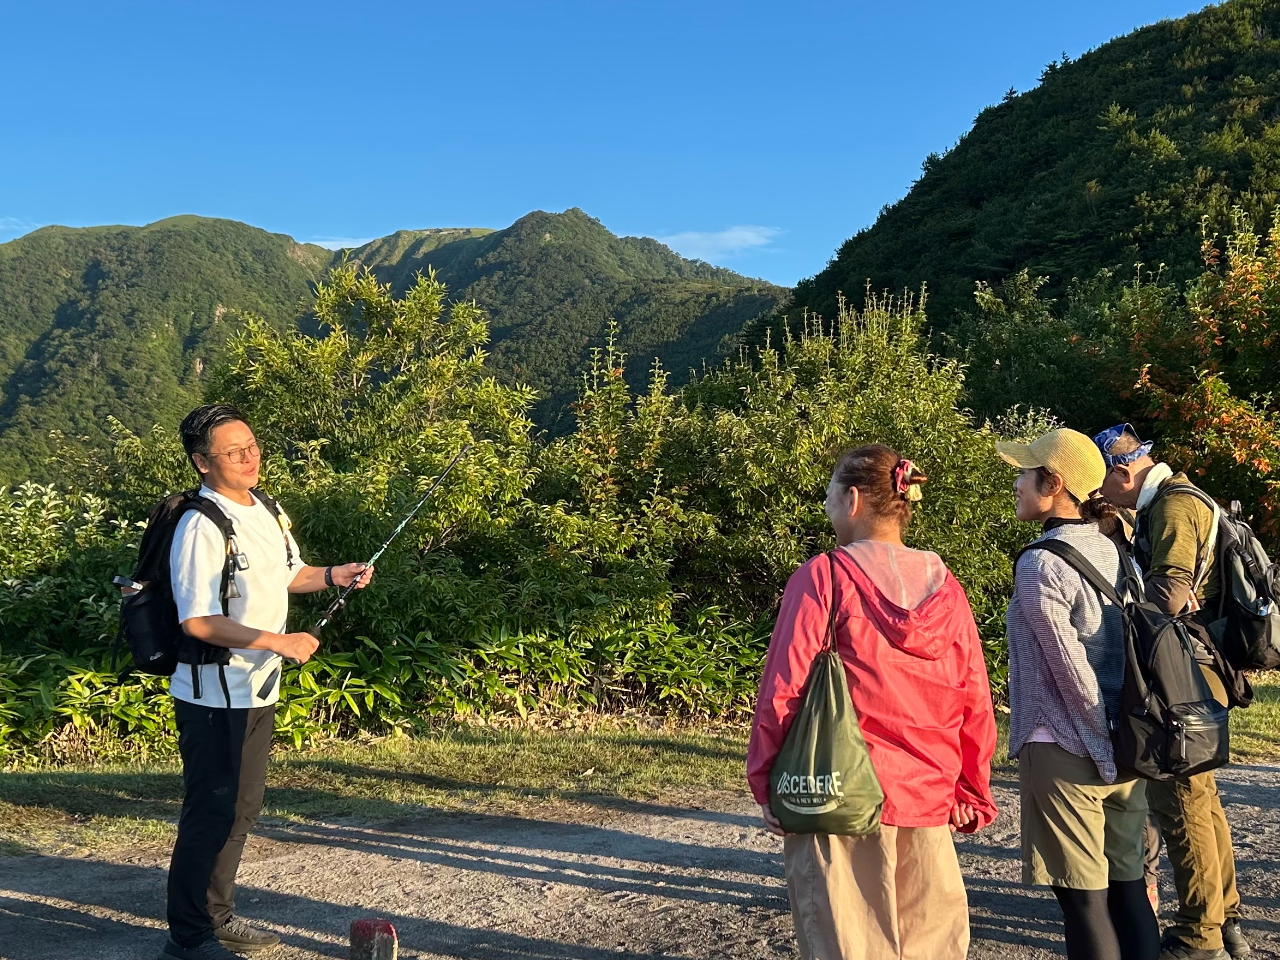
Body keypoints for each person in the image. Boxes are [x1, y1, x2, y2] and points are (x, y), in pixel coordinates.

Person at [747, 443, 998, 960]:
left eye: (830, 493)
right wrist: (971, 787)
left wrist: (766, 779)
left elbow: (784, 688)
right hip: (929, 798)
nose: (825, 506)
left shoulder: (824, 577)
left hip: (837, 794)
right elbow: (973, 694)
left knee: (846, 942)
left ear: (854, 500)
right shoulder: (947, 588)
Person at [159, 404, 374, 960]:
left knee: (242, 807)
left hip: (256, 686)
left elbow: (287, 573)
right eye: (234, 452)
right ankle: (189, 937)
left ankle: (216, 916)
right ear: (202, 463)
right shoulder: (200, 525)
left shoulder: (265, 508)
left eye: (252, 445)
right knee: (212, 809)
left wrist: (334, 576)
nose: (250, 457)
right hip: (212, 692)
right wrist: (279, 642)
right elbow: (198, 620)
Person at [997, 427, 1159, 960]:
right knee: (1130, 891)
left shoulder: (1040, 563)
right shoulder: (1120, 555)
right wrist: (1117, 750)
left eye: (1025, 473)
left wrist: (1098, 747)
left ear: (1055, 483)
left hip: (1071, 746)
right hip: (1128, 742)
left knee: (1084, 906)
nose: (1017, 483)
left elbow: (1068, 667)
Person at [1094, 423, 1251, 960]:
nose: (1098, 494)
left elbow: (1170, 592)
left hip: (1181, 677)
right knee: (1202, 803)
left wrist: (1114, 606)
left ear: (1122, 472)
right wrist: (1121, 538)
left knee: (1179, 802)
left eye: (1101, 483)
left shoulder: (1173, 508)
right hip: (1196, 670)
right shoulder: (1174, 501)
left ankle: (1198, 935)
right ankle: (1223, 916)